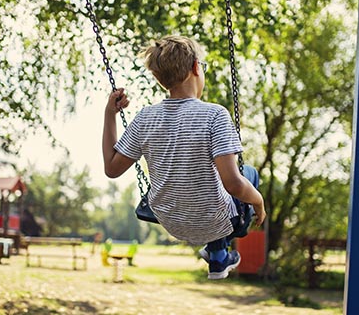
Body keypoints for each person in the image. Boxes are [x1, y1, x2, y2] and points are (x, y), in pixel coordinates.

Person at [102, 35, 266, 280]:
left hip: (172, 223)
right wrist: (259, 203)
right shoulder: (215, 115)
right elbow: (233, 184)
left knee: (207, 182)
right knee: (249, 174)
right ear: (196, 68)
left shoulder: (146, 117)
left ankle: (218, 255)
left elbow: (111, 169)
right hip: (216, 221)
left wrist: (110, 113)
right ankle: (219, 249)